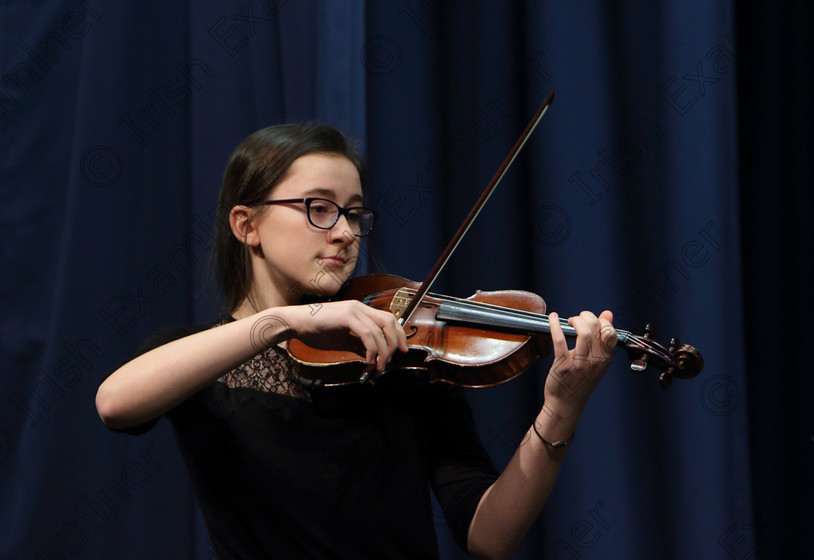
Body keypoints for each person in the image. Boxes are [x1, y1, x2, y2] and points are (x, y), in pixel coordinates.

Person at [96, 123, 616, 559]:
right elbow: (115, 404)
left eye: (353, 213)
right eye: (319, 208)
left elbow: (489, 536)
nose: (345, 232)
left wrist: (559, 410)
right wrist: (283, 321)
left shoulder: (402, 353)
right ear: (246, 224)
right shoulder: (198, 355)